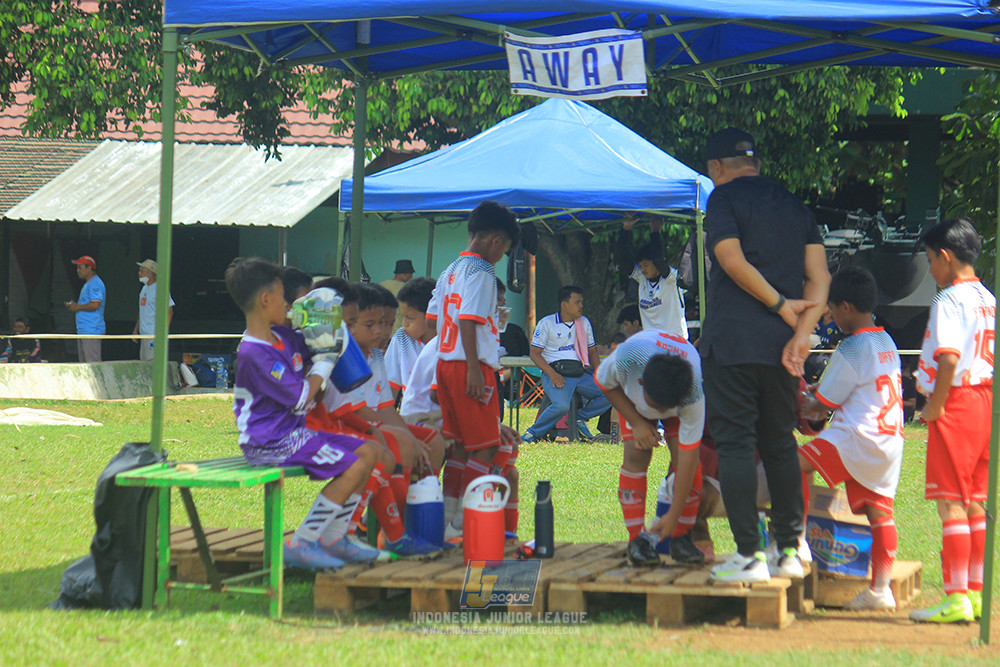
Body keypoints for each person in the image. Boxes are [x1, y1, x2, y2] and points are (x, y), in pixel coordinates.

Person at [699, 128, 830, 583]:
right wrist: (802, 332)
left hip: (732, 343)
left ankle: (748, 556)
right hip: (782, 349)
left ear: (716, 168)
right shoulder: (795, 205)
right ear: (755, 162)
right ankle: (790, 551)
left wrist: (776, 303)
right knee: (779, 443)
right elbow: (819, 278)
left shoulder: (722, 199)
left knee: (735, 444)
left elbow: (731, 261)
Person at [225, 257, 388, 570]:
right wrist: (326, 361)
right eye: (285, 299)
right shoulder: (254, 352)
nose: (289, 305)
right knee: (353, 467)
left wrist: (322, 323)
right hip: (269, 442)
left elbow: (315, 348)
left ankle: (336, 537)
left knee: (371, 452)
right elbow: (300, 397)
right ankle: (302, 542)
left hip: (293, 433)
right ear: (265, 300)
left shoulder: (283, 337)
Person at [797, 267, 904, 610]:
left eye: (830, 309)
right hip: (889, 440)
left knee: (794, 464)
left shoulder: (852, 346)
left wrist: (796, 396)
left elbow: (818, 409)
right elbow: (859, 387)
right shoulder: (886, 340)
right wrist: (823, 394)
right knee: (880, 514)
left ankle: (796, 541)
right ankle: (880, 590)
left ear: (845, 307)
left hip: (858, 434)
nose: (829, 315)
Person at [910, 218, 995, 624]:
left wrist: (935, 406)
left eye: (930, 259)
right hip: (984, 400)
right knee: (975, 501)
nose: (930, 269)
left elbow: (947, 357)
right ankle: (976, 595)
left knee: (950, 503)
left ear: (945, 256)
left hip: (957, 401)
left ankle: (956, 596)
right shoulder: (988, 297)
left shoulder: (948, 300)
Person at [428, 200, 520, 538]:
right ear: (496, 240)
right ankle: (464, 521)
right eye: (505, 249)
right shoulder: (483, 272)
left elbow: (432, 318)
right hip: (471, 367)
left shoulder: (449, 269)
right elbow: (467, 319)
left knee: (462, 446)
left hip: (444, 363)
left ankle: (448, 518)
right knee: (487, 445)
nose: (502, 257)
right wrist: (471, 368)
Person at [596, 329, 706, 566]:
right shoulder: (626, 357)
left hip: (672, 398)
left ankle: (682, 537)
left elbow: (688, 460)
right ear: (641, 381)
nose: (660, 414)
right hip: (634, 406)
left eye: (665, 409)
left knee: (690, 467)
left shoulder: (694, 392)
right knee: (636, 455)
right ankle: (637, 541)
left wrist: (674, 517)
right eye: (655, 406)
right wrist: (637, 422)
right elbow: (603, 383)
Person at [522, 285, 612, 443]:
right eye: (577, 302)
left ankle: (579, 418)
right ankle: (532, 433)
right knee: (561, 406)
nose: (581, 306)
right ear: (564, 305)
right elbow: (534, 353)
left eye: (581, 302)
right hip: (557, 373)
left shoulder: (584, 322)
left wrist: (600, 373)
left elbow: (592, 351)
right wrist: (552, 374)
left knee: (611, 393)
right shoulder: (547, 323)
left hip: (579, 373)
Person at [615, 216, 688, 337]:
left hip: (675, 343)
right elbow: (620, 257)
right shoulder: (642, 279)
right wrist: (626, 229)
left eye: (646, 265)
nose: (642, 269)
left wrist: (655, 232)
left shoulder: (671, 279)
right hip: (653, 344)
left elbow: (657, 259)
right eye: (640, 266)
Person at [385, 277, 436, 399]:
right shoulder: (402, 338)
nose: (404, 323)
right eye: (403, 317)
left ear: (431, 314)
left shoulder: (447, 342)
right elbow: (389, 390)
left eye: (410, 318)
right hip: (411, 414)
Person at [131, 259, 175, 361]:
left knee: (153, 365)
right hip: (144, 335)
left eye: (142, 271)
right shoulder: (144, 289)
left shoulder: (160, 289)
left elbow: (170, 312)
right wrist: (135, 330)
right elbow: (142, 311)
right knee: (144, 364)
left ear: (150, 273)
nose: (139, 273)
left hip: (154, 335)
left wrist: (162, 334)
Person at [65, 255, 106, 363]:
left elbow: (95, 304)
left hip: (91, 330)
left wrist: (77, 306)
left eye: (80, 268)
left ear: (89, 268)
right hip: (85, 330)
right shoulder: (88, 284)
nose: (78, 271)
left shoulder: (95, 283)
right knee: (85, 365)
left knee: (93, 365)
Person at [379, 259, 415, 333]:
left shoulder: (381, 285)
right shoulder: (407, 288)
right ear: (405, 275)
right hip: (398, 331)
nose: (411, 278)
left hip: (381, 330)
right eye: (411, 275)